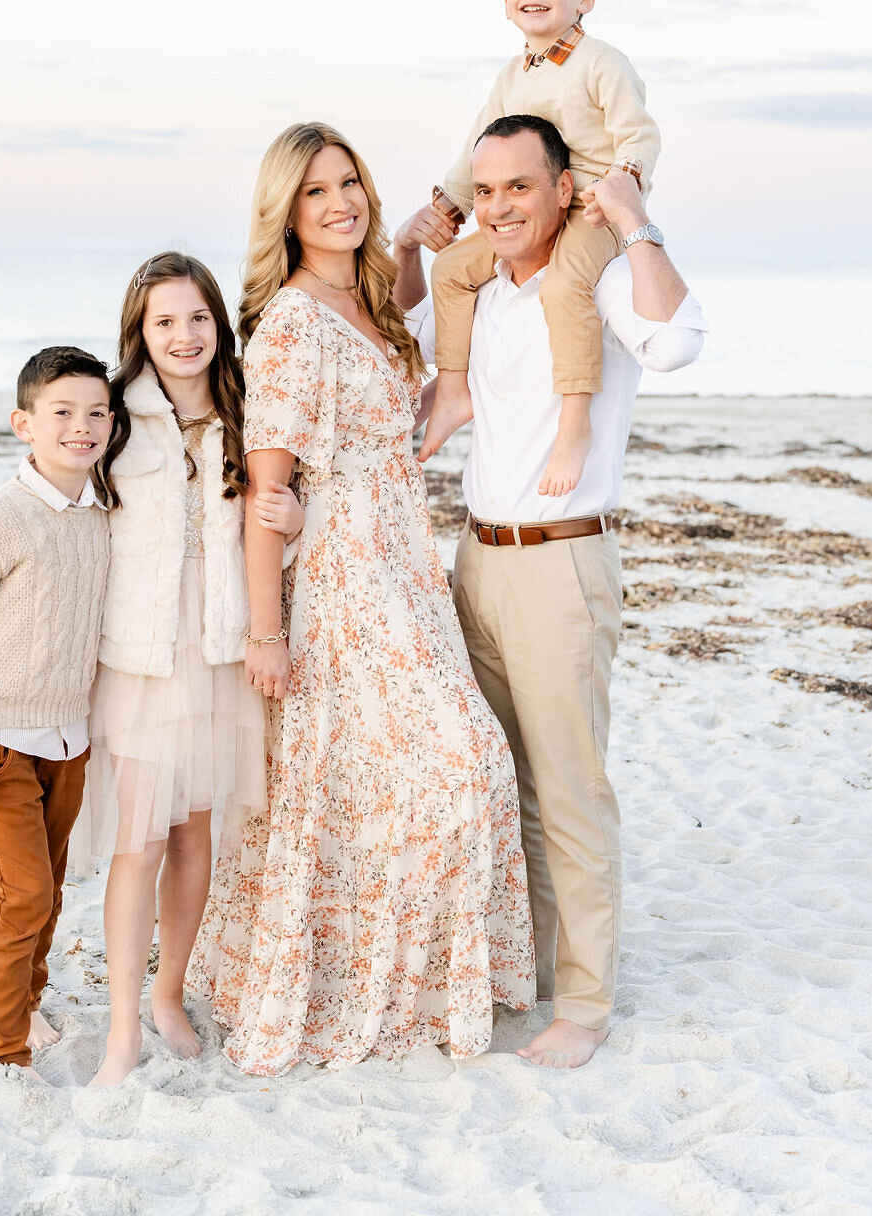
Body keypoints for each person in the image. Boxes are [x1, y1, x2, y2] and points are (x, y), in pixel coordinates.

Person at [188, 122, 534, 1076]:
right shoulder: (294, 324)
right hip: (343, 579)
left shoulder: (367, 293)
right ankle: (352, 982)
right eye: (315, 192)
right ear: (285, 212)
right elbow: (269, 493)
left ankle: (400, 983)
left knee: (391, 783)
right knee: (457, 766)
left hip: (406, 568)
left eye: (350, 183)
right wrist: (267, 631)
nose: (340, 202)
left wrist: (414, 245)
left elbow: (407, 334)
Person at [0, 253, 304, 1088]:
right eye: (164, 321)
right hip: (137, 662)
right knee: (136, 844)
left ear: (220, 324)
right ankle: (120, 1035)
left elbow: (283, 511)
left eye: (198, 318)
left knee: (194, 837)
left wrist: (299, 514)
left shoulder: (249, 411)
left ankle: (169, 995)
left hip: (216, 652)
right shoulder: (118, 416)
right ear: (140, 332)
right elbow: (45, 482)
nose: (184, 336)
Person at [394, 114, 706, 1069]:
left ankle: (585, 1002)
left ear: (562, 188)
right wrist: (415, 233)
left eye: (518, 188)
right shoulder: (481, 285)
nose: (498, 207)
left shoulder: (598, 277)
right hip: (476, 559)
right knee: (503, 785)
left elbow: (678, 339)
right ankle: (521, 968)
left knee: (570, 793)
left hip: (562, 561)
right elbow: (394, 318)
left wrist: (639, 221)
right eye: (485, 191)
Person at [419, 0, 661, 500]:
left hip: (590, 210)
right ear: (505, 3)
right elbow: (479, 145)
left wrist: (623, 184)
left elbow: (640, 135)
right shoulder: (512, 76)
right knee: (451, 270)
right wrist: (449, 202)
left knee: (565, 287)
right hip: (526, 213)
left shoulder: (603, 63)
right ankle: (453, 390)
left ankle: (575, 424)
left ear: (585, 0)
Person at [0, 345, 114, 1076]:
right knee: (24, 893)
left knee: (50, 888)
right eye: (61, 412)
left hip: (69, 739)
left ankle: (27, 1009)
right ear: (23, 424)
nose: (81, 426)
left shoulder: (104, 510)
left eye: (96, 412)